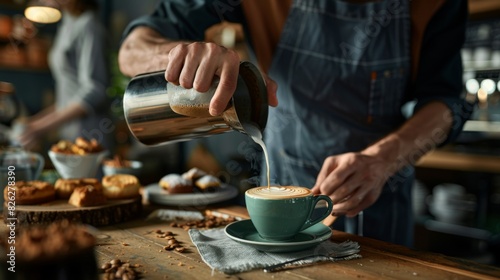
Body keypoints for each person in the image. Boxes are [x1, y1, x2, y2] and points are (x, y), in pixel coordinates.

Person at [118, 0, 472, 247]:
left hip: (380, 196)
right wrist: (177, 57)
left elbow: (446, 103)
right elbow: (131, 49)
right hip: (287, 175)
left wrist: (383, 160)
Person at [16, 0, 113, 151]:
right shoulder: (67, 22)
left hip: (89, 135)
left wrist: (40, 127)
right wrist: (34, 123)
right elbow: (69, 97)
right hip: (69, 133)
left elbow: (96, 90)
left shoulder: (89, 26)